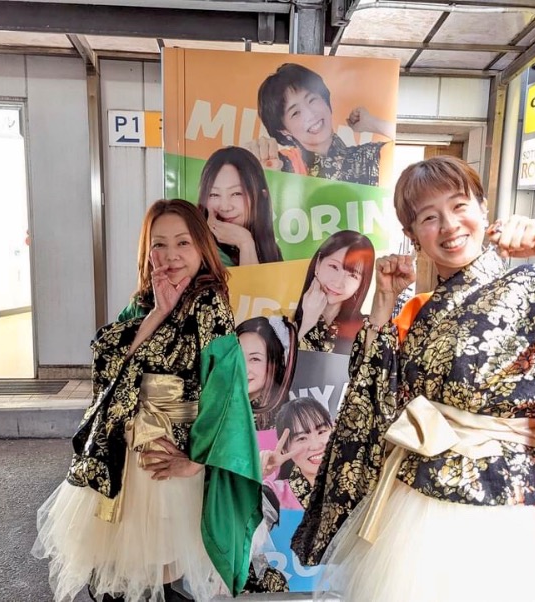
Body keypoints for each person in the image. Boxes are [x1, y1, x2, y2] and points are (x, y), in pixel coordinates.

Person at [291, 156, 535, 602]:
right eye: (428, 217)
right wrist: (382, 300)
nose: (449, 226)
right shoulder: (419, 309)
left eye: (460, 206)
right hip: (415, 494)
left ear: (483, 210)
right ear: (412, 236)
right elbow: (373, 396)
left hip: (504, 503)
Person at [32, 199, 263, 602]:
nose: (170, 255)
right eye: (159, 244)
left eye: (183, 243)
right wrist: (158, 312)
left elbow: (225, 390)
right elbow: (107, 362)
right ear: (146, 250)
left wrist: (197, 461)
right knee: (119, 576)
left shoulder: (209, 306)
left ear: (202, 248)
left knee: (157, 575)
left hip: (165, 461)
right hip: (121, 455)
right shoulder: (144, 300)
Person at [247, 63, 393, 186]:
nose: (310, 114)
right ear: (284, 130)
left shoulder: (368, 157)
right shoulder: (278, 166)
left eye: (312, 100)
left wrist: (371, 123)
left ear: (325, 100)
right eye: (295, 113)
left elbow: (408, 155)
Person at [198, 146, 283, 267]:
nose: (225, 207)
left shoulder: (269, 248)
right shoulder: (204, 253)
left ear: (261, 196)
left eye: (236, 193)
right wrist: (245, 243)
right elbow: (250, 287)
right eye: (214, 194)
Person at [294, 230, 374, 354]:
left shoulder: (365, 330)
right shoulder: (282, 325)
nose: (338, 282)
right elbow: (291, 371)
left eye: (352, 275)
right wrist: (308, 321)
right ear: (318, 263)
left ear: (361, 284)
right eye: (334, 267)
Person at [261, 397, 333, 511]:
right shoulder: (273, 495)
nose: (316, 446)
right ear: (285, 450)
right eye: (302, 438)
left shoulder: (360, 478)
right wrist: (257, 474)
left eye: (321, 432)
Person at [236, 315, 298, 431]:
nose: (242, 368)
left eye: (255, 359)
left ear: (275, 363)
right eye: (237, 356)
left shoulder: (282, 421)